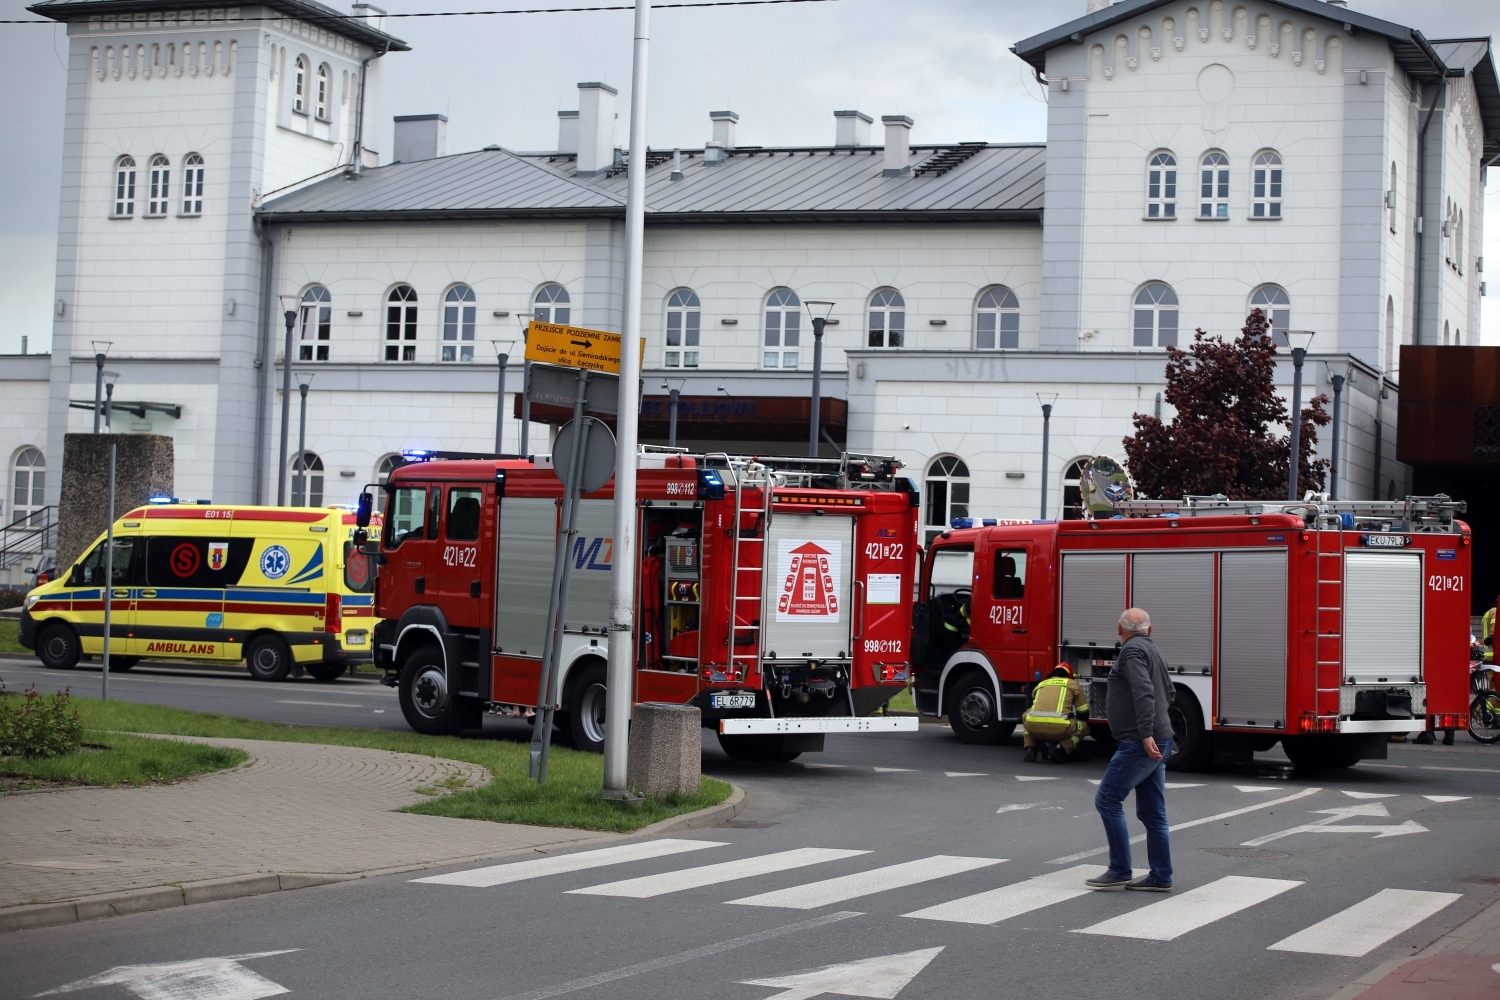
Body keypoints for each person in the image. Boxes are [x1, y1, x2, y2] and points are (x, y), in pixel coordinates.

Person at [1087, 608, 1175, 893]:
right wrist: (1156, 728)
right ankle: (1161, 876)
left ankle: (1119, 869)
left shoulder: (1132, 652)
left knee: (1108, 799)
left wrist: (1146, 733)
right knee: (1153, 813)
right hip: (1159, 738)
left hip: (1140, 742)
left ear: (1119, 629)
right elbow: (1169, 693)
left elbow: (1143, 691)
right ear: (1150, 629)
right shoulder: (1154, 650)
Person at [1022, 663, 1090, 763]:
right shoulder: (1073, 684)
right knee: (1083, 727)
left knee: (1027, 717)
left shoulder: (1041, 684)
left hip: (1034, 727)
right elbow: (1083, 713)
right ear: (1069, 675)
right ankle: (1060, 748)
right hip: (1059, 728)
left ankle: (1031, 750)